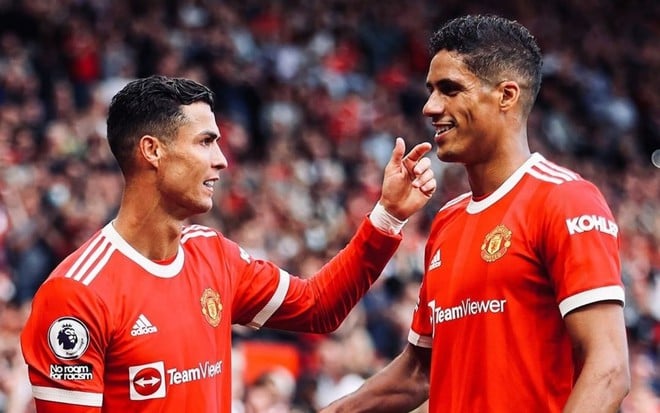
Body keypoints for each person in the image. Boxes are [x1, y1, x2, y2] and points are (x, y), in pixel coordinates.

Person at [19, 74, 437, 412]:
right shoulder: (76, 293)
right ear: (152, 151)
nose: (222, 159)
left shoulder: (213, 254)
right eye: (205, 141)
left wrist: (387, 217)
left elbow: (318, 307)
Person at [321, 14, 630, 413]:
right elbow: (419, 371)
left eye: (450, 90)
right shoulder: (447, 221)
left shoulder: (566, 200)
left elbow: (608, 369)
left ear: (506, 95)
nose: (430, 107)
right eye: (431, 90)